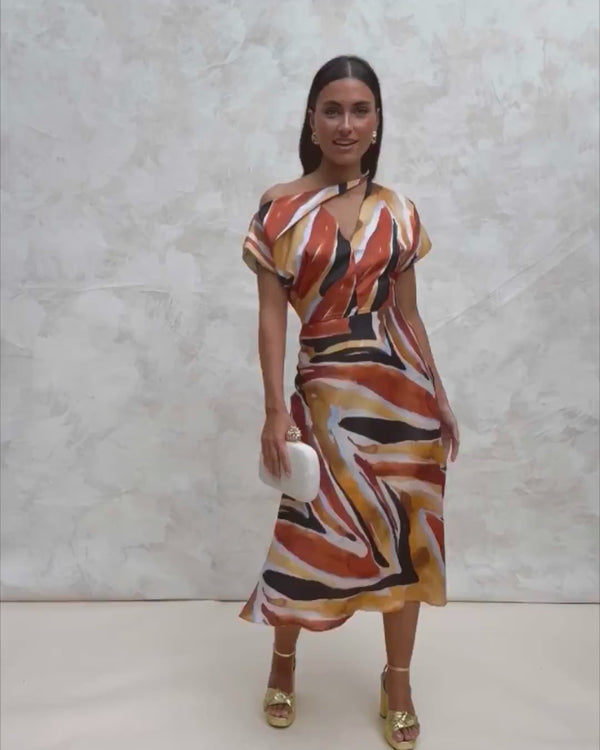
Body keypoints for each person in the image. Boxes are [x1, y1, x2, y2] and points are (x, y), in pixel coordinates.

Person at [239, 54, 459, 750]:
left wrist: (440, 395)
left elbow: (410, 314)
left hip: (403, 400)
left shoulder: (400, 211)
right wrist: (275, 408)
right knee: (305, 533)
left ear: (376, 122)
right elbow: (271, 317)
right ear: (312, 120)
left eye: (360, 110)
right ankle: (283, 662)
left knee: (408, 540)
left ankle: (399, 682)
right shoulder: (279, 207)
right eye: (332, 109)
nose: (345, 123)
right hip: (324, 398)